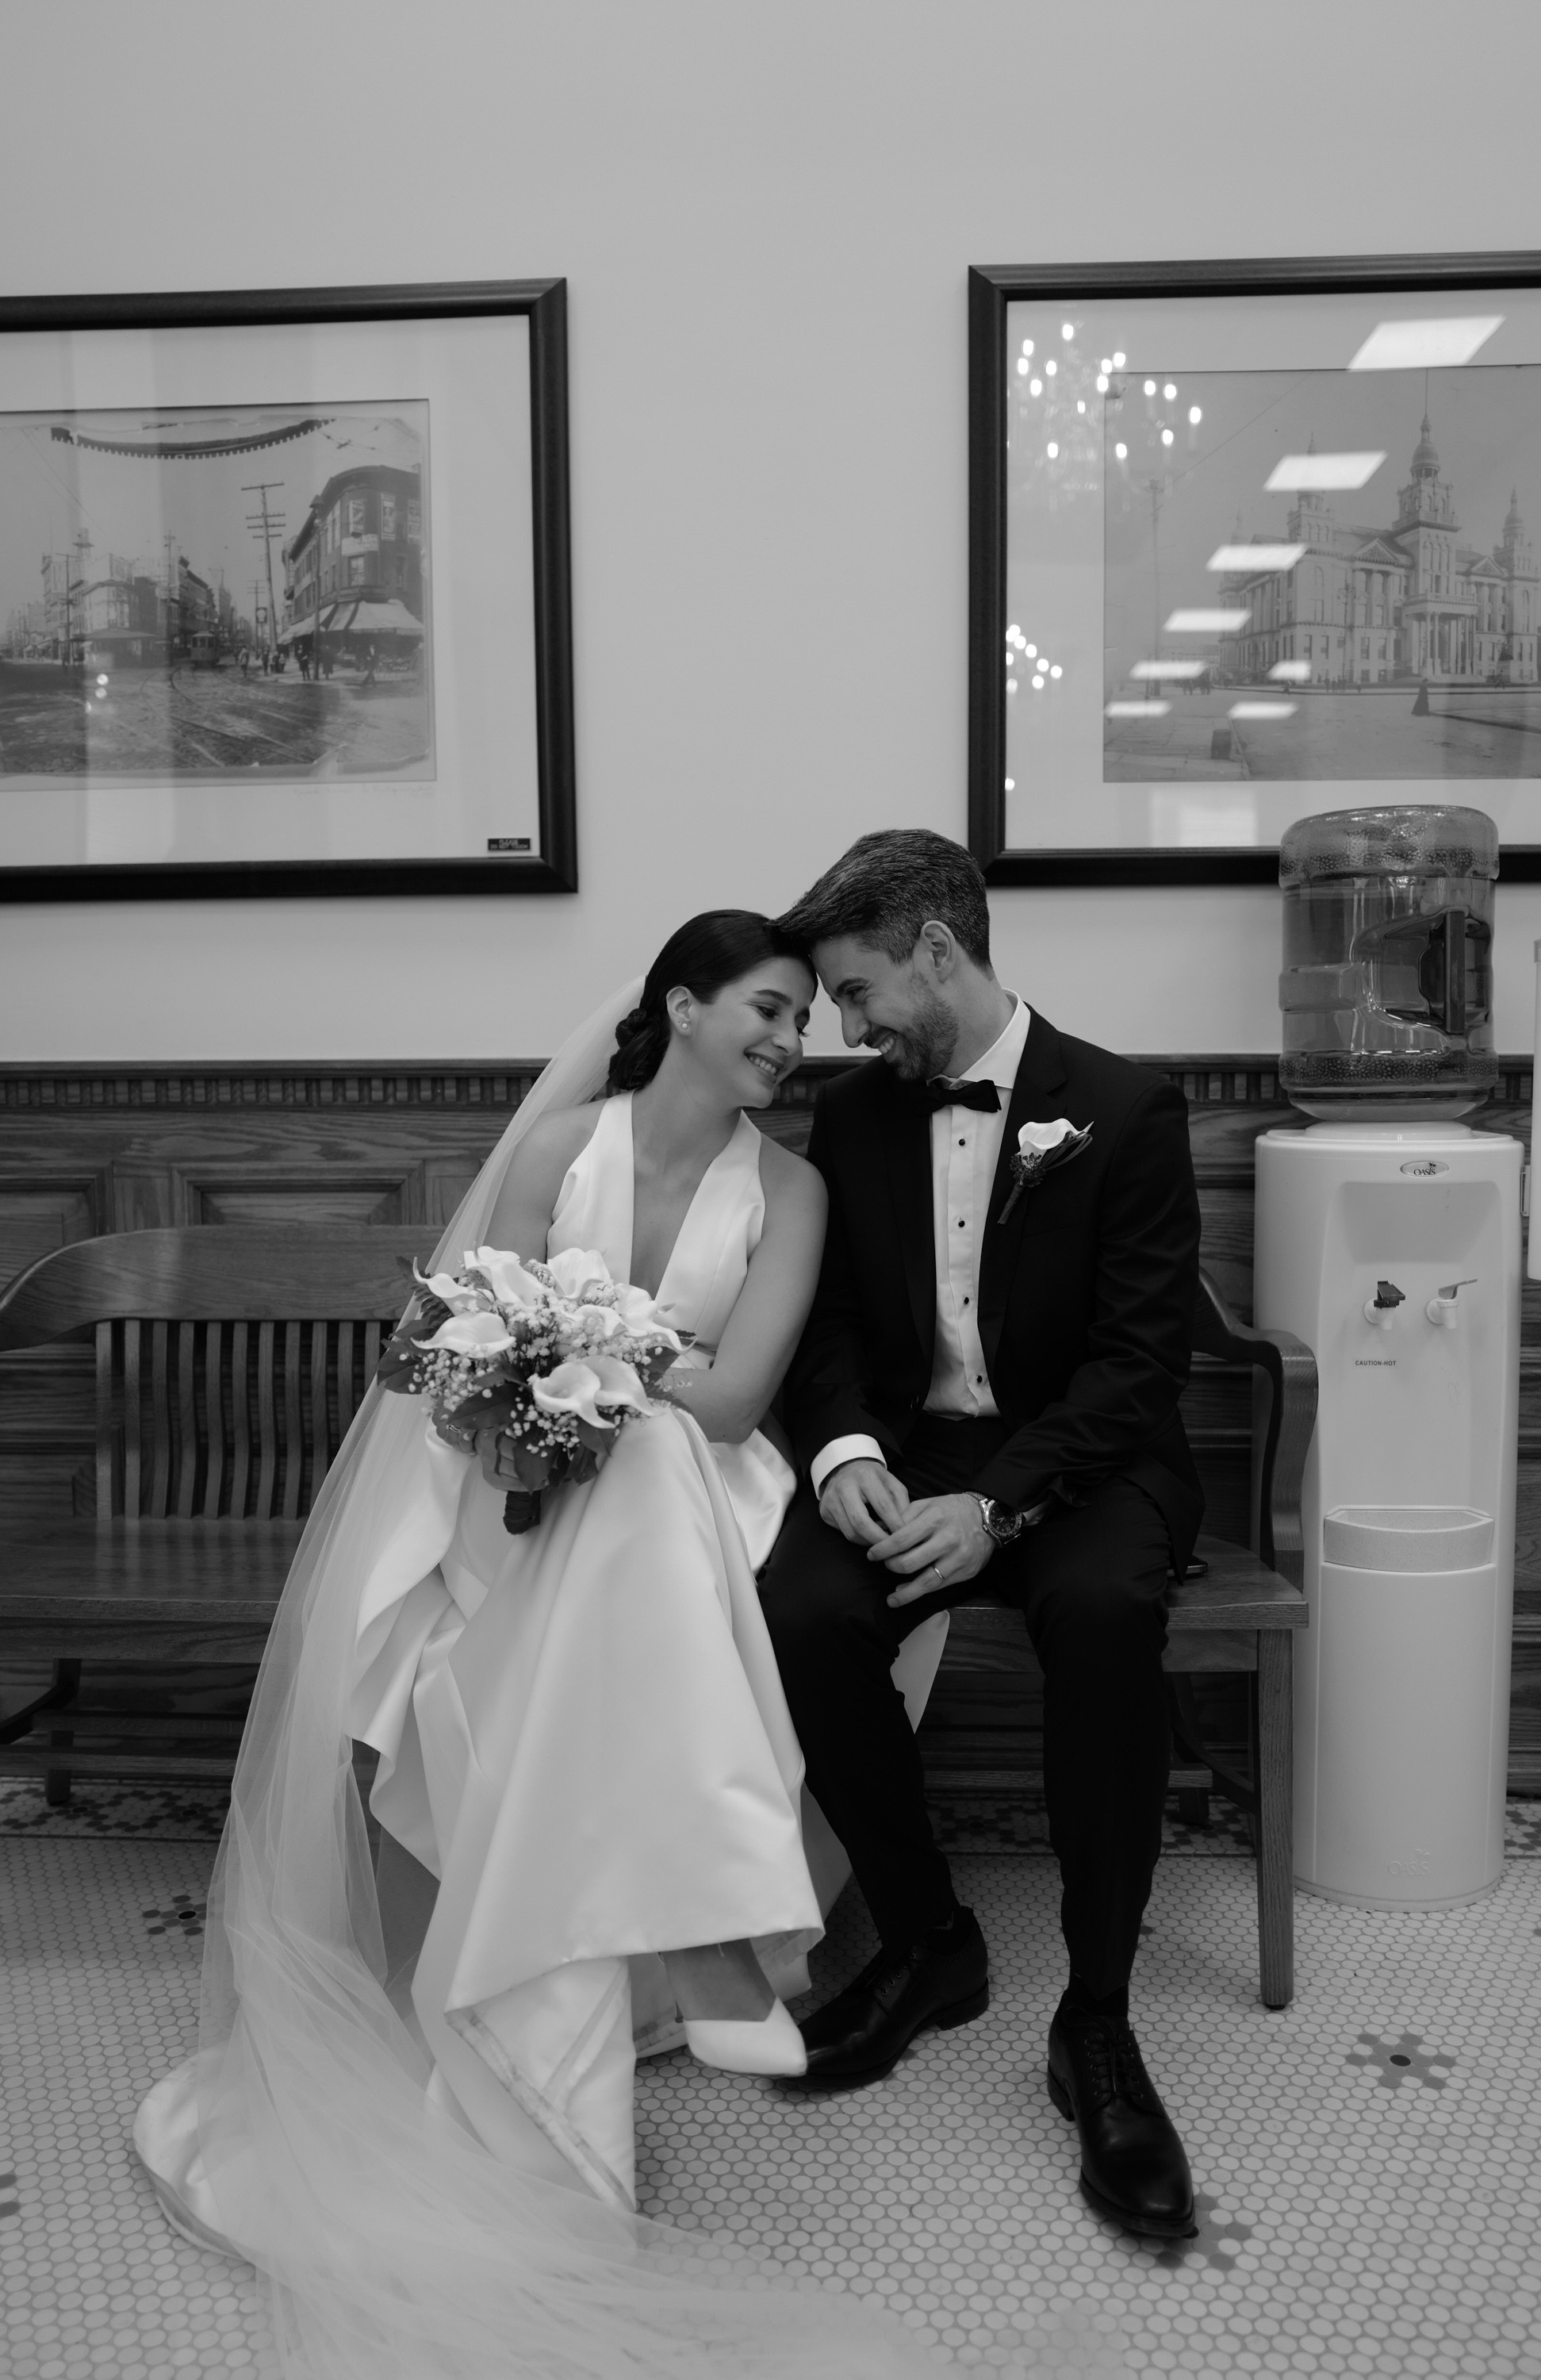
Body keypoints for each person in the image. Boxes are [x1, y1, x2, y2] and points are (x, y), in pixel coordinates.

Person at [132, 912, 950, 2380]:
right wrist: (536, 1397)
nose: (790, 1038)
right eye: (766, 1007)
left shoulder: (795, 1188)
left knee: (635, 1469)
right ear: (684, 1006)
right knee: (606, 1477)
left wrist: (593, 1362)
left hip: (696, 1487)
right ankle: (716, 1941)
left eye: (806, 1020)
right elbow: (451, 1358)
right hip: (500, 1476)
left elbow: (741, 1394)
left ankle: (641, 1988)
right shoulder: (563, 1142)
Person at [760, 829, 1204, 2242]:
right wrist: (840, 1454)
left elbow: (1138, 1368)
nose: (844, 1023)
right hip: (914, 1455)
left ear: (936, 952)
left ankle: (1100, 2022)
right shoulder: (855, 1115)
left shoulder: (1126, 1111)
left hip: (1084, 1464)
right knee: (804, 1607)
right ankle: (928, 1940)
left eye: (853, 990)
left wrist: (1000, 1505)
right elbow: (822, 1325)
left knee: (1105, 1617)